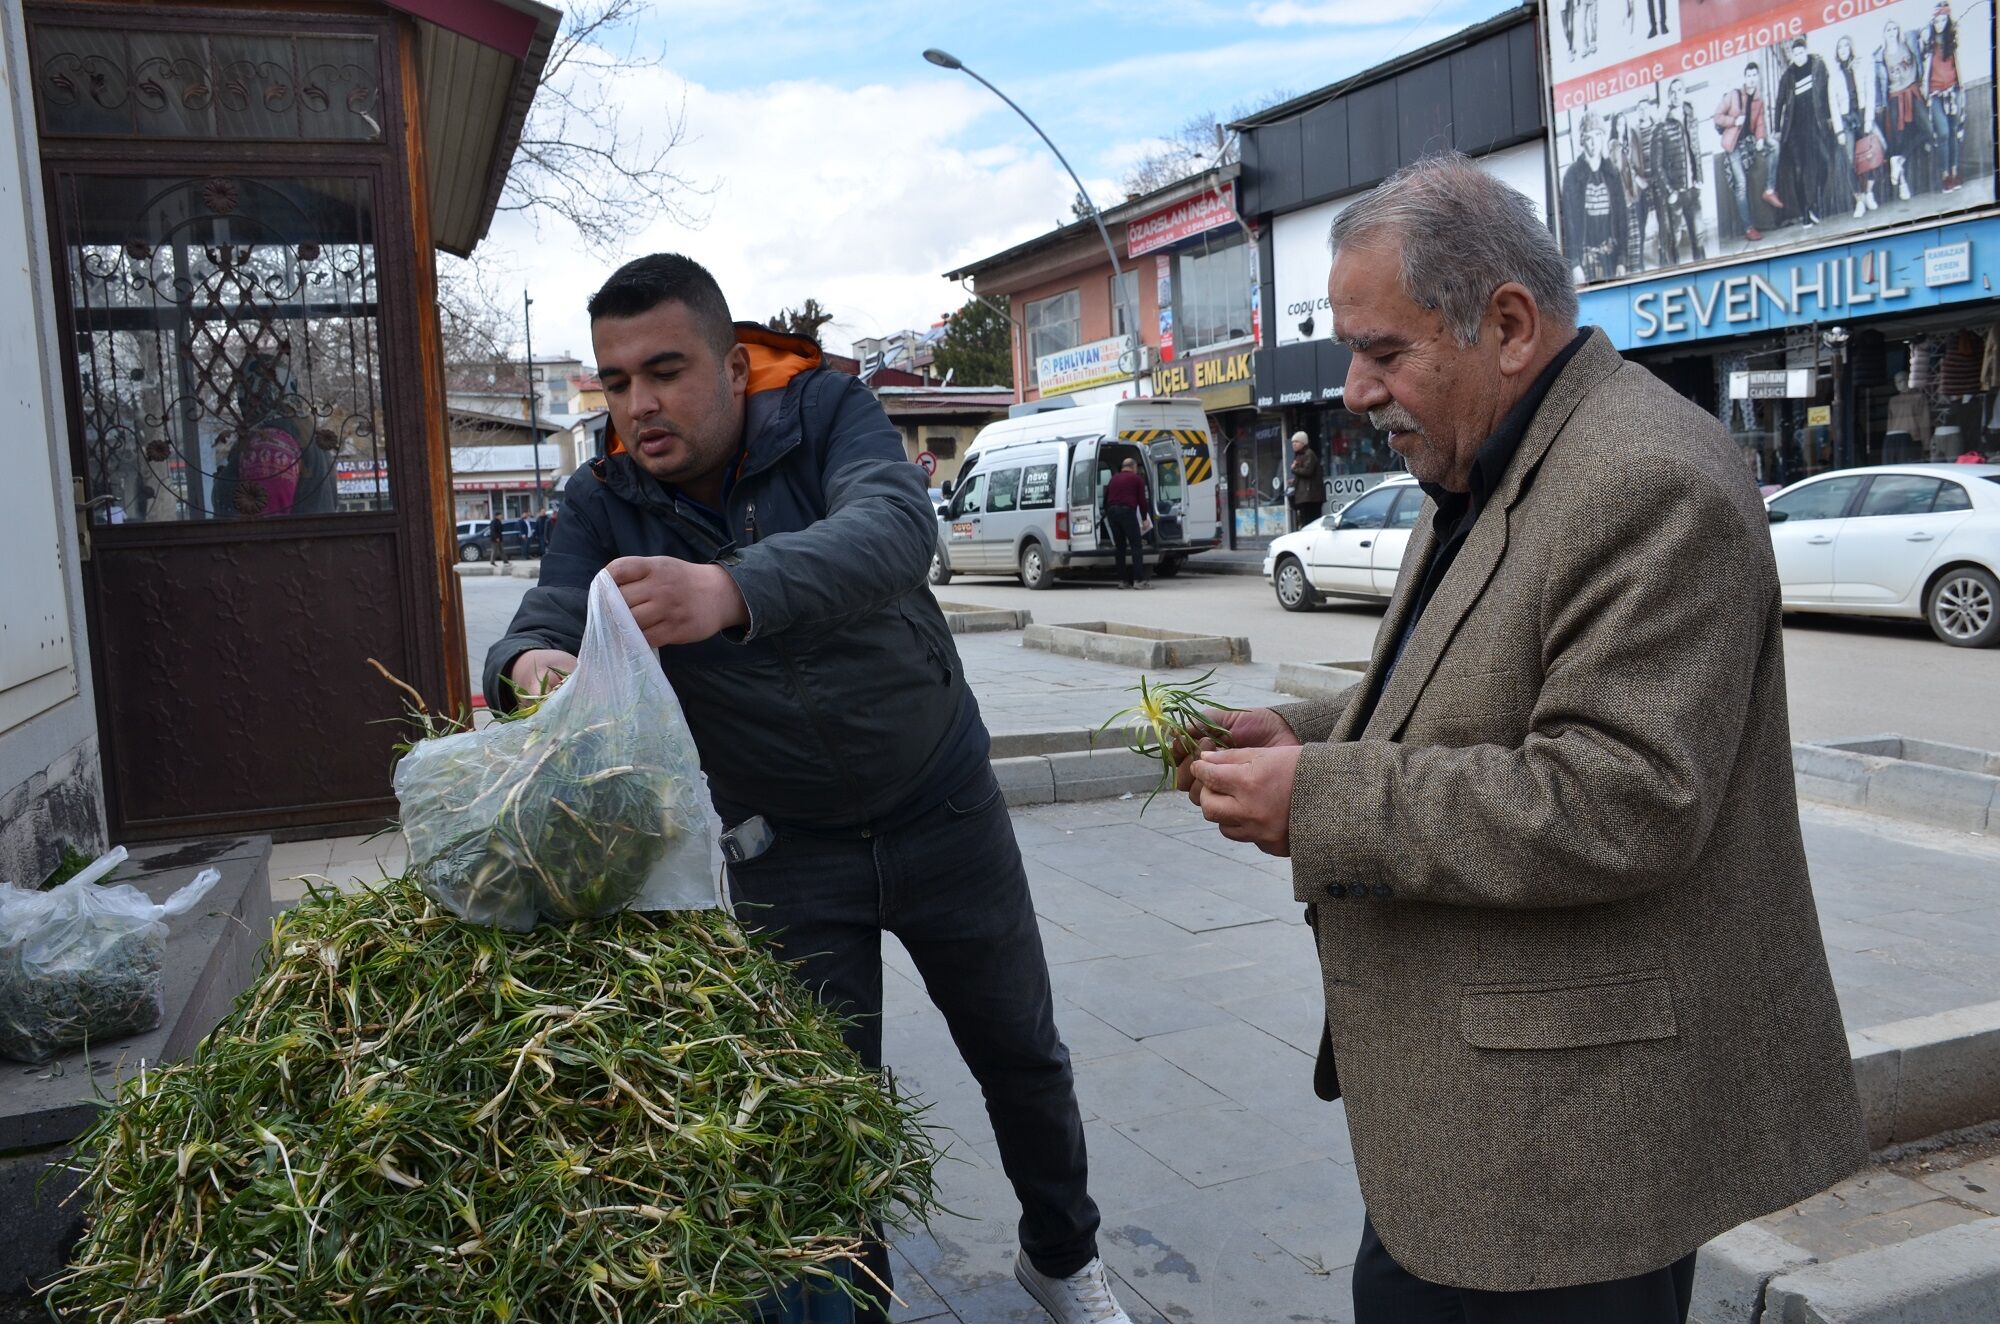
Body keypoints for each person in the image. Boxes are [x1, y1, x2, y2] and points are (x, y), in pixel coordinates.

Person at [1173, 155, 1866, 1323]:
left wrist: (1319, 801)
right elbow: (1463, 692)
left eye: (1383, 353)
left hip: (1566, 1156)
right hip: (1479, 1137)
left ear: (1503, 324)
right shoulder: (1490, 458)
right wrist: (1290, 734)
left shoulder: (1644, 477)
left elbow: (1618, 797)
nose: (1351, 390)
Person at [486, 254, 1131, 1324]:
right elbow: (547, 611)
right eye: (614, 381)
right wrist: (530, 670)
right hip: (777, 846)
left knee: (1019, 1052)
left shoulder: (828, 411)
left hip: (940, 802)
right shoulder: (600, 499)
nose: (638, 404)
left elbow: (892, 532)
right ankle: (853, 1304)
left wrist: (729, 590)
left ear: (734, 366)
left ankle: (1061, 1255)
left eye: (664, 370)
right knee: (819, 1109)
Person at [1773, 37, 1838, 226]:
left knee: (1825, 162)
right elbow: (1779, 103)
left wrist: (1829, 118)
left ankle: (1814, 203)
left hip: (1815, 126)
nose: (1799, 57)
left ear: (1806, 51)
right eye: (1795, 54)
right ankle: (1805, 212)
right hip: (1794, 132)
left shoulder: (1817, 66)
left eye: (1801, 53)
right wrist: (1777, 129)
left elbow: (1826, 92)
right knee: (1799, 171)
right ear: (1792, 56)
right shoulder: (1788, 76)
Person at [1559, 115, 1628, 282]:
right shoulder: (1572, 176)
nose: (1593, 142)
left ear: (1603, 137)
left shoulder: (1612, 173)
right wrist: (1574, 263)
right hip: (1586, 258)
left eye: (1597, 135)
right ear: (1582, 141)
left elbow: (1621, 218)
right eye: (1588, 137)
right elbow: (1569, 224)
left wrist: (1622, 260)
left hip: (1611, 256)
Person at [1713, 64, 1771, 241]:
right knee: (1741, 184)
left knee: (1774, 148)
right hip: (1734, 146)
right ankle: (1749, 228)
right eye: (1749, 75)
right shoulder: (1734, 95)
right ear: (1745, 78)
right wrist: (1734, 121)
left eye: (1755, 75)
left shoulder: (1759, 99)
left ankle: (1771, 191)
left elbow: (1760, 122)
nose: (1752, 78)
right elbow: (1717, 116)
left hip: (1749, 143)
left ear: (1758, 77)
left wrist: (1761, 138)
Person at [1876, 19, 1930, 200]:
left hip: (1912, 91)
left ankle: (1899, 160)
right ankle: (1903, 185)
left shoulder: (1909, 41)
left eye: (1894, 28)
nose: (1891, 32)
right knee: (1898, 141)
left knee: (1928, 130)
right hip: (1894, 98)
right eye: (1888, 29)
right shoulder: (1880, 56)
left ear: (1898, 31)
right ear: (1884, 34)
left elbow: (1926, 28)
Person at [1831, 36, 1884, 218]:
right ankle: (1859, 201)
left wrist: (1868, 120)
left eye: (1846, 46)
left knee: (1870, 155)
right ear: (1837, 52)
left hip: (1861, 114)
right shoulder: (1835, 74)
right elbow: (1833, 105)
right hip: (1846, 120)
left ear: (1851, 48)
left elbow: (1870, 93)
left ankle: (1869, 193)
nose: (1843, 49)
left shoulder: (1861, 66)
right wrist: (1839, 130)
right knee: (1850, 161)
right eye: (1840, 47)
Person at [1654, 80, 1706, 262]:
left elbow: (1696, 150)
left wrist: (1699, 178)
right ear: (1669, 96)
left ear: (1684, 93)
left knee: (1698, 236)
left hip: (1692, 190)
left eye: (1679, 90)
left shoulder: (1691, 120)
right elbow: (1657, 166)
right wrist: (1670, 191)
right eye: (1673, 91)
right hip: (1675, 193)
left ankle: (1703, 272)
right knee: (1673, 240)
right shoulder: (1661, 127)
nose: (1676, 94)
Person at [1924, 3, 1963, 193]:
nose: (1939, 23)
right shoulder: (1928, 42)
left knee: (1954, 131)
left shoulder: (1953, 40)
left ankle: (1955, 174)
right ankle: (1945, 176)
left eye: (1943, 19)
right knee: (1944, 133)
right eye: (1936, 20)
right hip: (1936, 94)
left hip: (1953, 91)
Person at [1101, 455, 1152, 589]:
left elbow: (1105, 500)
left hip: (1112, 513)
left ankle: (1123, 581)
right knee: (1136, 545)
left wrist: (1109, 513)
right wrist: (1145, 518)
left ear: (1123, 467)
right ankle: (1138, 580)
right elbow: (1142, 501)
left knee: (1120, 548)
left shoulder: (1113, 479)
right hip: (1127, 512)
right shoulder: (1137, 479)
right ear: (1133, 467)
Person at [1289, 430, 1326, 527]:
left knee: (1310, 522)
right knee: (1305, 522)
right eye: (1293, 442)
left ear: (1303, 443)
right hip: (1304, 496)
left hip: (1310, 497)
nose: (1294, 444)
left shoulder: (1308, 454)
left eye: (1296, 442)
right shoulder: (1300, 455)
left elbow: (1307, 471)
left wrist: (1294, 469)